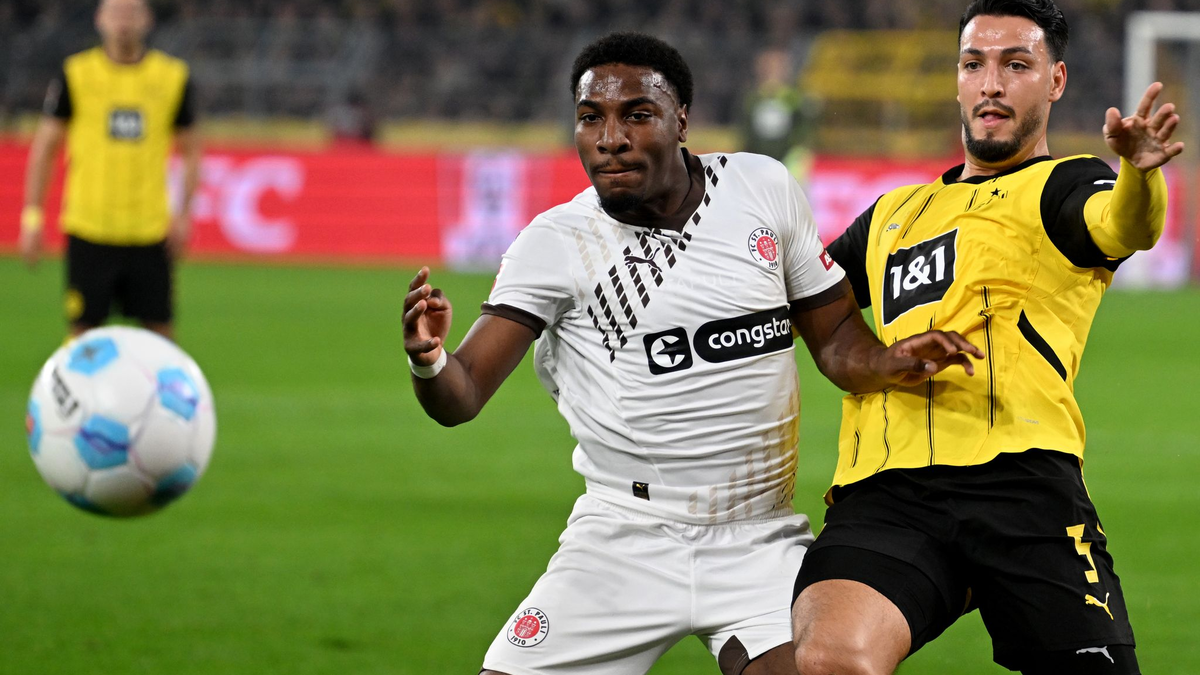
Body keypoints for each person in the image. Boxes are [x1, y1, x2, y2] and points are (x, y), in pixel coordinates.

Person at [403, 32, 979, 675]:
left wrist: (891, 360)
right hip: (624, 539)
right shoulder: (557, 243)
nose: (609, 137)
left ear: (681, 120)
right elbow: (461, 396)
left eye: (636, 115)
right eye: (590, 117)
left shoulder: (762, 188)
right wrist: (429, 359)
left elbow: (838, 337)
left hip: (758, 536)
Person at [790, 1, 1182, 674]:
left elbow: (1123, 225)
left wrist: (1140, 174)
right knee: (829, 656)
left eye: (1015, 64)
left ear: (1055, 81)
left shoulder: (1064, 183)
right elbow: (807, 298)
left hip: (1025, 486)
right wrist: (870, 358)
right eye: (974, 64)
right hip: (890, 491)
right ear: (958, 80)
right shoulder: (892, 214)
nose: (991, 83)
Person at [19, 0, 201, 341]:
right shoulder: (77, 74)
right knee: (83, 335)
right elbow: (45, 148)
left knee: (161, 335)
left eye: (132, 13)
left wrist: (184, 214)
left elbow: (191, 151)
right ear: (99, 20)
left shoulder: (172, 77)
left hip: (149, 231)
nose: (124, 23)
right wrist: (32, 218)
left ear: (147, 20)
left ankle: (161, 397)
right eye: (116, 13)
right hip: (90, 228)